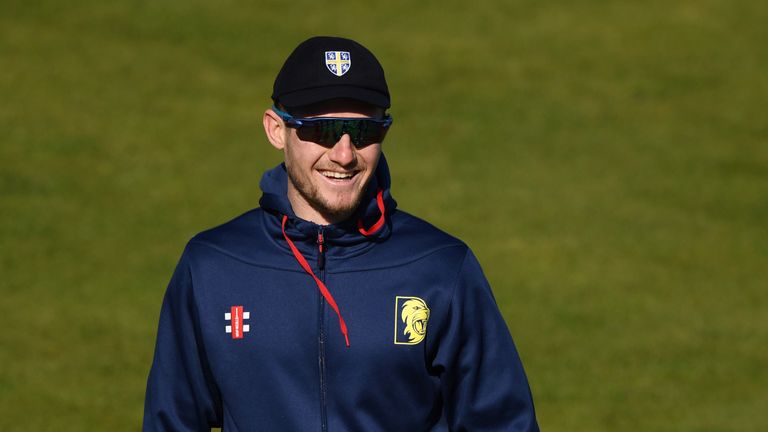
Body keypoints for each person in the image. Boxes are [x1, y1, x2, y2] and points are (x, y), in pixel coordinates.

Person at [143, 36, 539, 431]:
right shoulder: (214, 266)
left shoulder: (440, 268)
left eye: (364, 132)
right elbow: (173, 420)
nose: (345, 154)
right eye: (324, 130)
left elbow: (502, 422)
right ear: (276, 130)